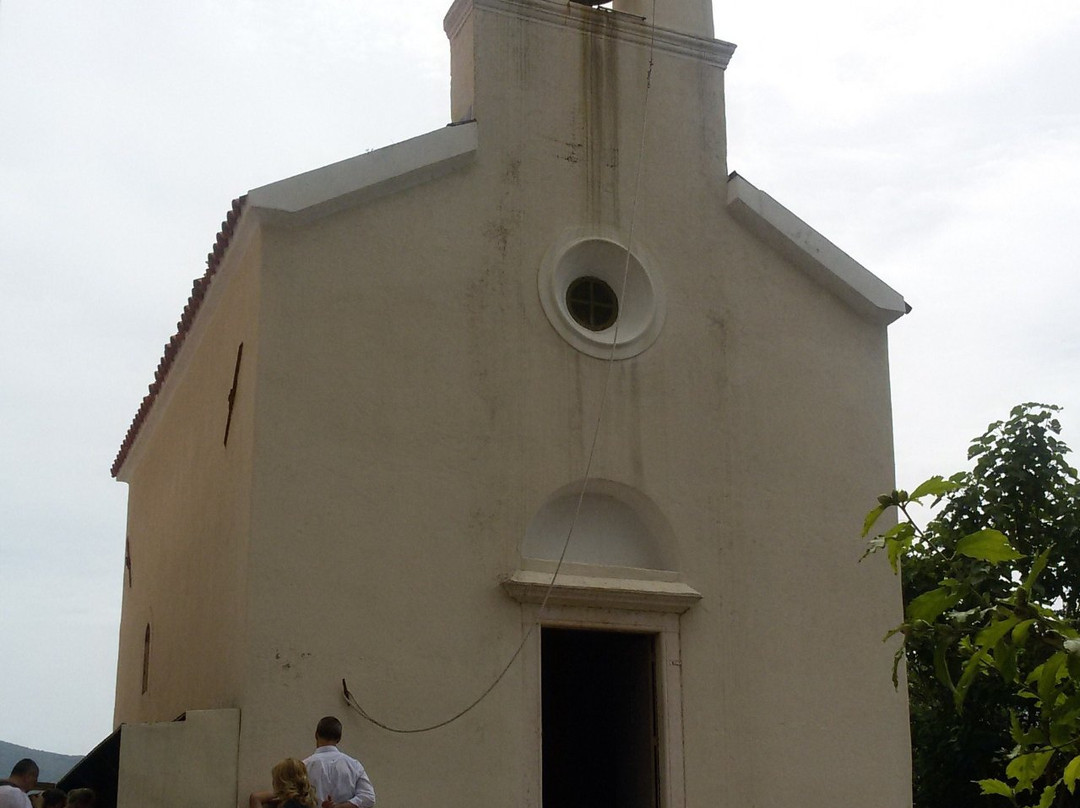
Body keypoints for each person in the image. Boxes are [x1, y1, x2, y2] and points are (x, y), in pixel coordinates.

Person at [303, 716, 375, 808]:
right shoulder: (354, 765)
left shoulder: (304, 766)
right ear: (339, 738)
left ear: (316, 735)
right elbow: (368, 797)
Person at [248, 758, 318, 808]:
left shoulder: (291, 804)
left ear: (281, 781)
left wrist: (281, 793)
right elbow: (255, 798)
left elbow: (256, 798)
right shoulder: (306, 801)